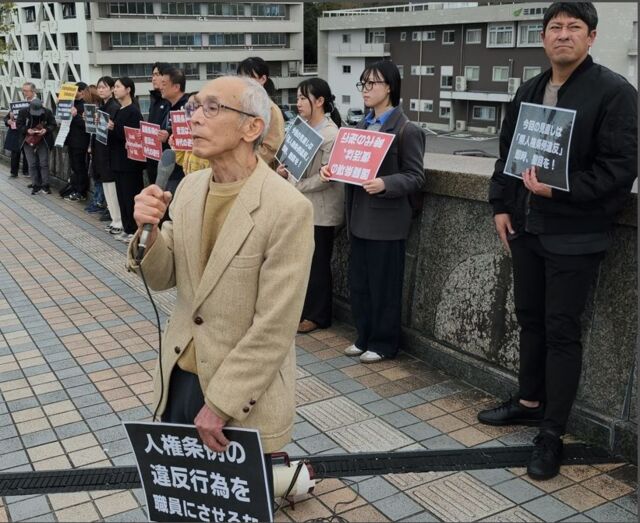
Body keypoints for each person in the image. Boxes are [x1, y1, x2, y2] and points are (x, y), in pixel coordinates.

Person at [478, 2, 637, 481]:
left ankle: (551, 433)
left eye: (574, 27)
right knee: (529, 318)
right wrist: (500, 204)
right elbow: (508, 154)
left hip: (575, 234)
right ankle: (529, 401)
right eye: (554, 27)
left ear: (591, 37)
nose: (563, 34)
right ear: (543, 36)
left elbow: (619, 169)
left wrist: (559, 188)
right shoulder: (529, 90)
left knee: (562, 330)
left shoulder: (614, 92)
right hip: (527, 227)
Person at [127, 75, 314, 460]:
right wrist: (149, 231)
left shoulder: (288, 208)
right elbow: (162, 276)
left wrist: (222, 403)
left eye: (212, 108)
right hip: (178, 376)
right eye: (195, 107)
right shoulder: (190, 187)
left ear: (252, 127)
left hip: (242, 397)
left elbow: (275, 324)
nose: (195, 117)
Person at [321, 60, 425, 364]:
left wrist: (385, 183)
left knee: (384, 287)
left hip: (387, 223)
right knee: (361, 285)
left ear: (389, 87)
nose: (365, 90)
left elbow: (416, 176)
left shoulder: (407, 129)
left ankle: (384, 343)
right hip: (359, 219)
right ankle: (364, 336)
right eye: (363, 84)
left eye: (372, 84)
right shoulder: (360, 127)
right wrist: (332, 170)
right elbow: (349, 167)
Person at [276, 78, 344, 334]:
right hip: (302, 205)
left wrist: (296, 186)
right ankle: (303, 310)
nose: (299, 103)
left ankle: (318, 315)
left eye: (303, 98)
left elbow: (328, 177)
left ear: (320, 101)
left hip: (321, 210)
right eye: (298, 97)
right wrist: (283, 171)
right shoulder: (300, 127)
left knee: (317, 263)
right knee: (302, 262)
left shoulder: (331, 134)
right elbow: (291, 163)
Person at [108, 77, 145, 243]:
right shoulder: (118, 110)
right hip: (117, 160)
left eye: (118, 86)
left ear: (128, 89)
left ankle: (135, 230)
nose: (114, 90)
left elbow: (133, 137)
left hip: (130, 163)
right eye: (114, 87)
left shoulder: (134, 111)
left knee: (131, 196)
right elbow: (115, 136)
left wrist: (114, 128)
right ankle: (127, 227)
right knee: (122, 197)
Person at [236, 57, 285, 167]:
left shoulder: (271, 109)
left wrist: (244, 162)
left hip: (256, 169)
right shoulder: (240, 104)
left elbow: (271, 148)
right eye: (241, 78)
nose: (244, 82)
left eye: (249, 77)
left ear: (263, 79)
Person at [91, 76, 122, 235]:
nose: (101, 90)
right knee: (107, 186)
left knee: (113, 188)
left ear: (111, 89)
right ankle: (114, 219)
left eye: (104, 87)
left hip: (110, 153)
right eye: (99, 87)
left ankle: (119, 220)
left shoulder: (114, 107)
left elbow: (116, 131)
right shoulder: (102, 107)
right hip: (101, 152)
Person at [158, 66, 190, 194]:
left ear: (176, 87)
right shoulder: (167, 106)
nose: (160, 87)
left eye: (164, 84)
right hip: (169, 168)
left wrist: (170, 134)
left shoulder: (189, 105)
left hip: (183, 171)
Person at [16, 99, 56, 195]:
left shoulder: (47, 112)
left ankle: (45, 185)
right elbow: (18, 125)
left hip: (43, 140)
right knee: (32, 163)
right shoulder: (23, 112)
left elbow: (53, 124)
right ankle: (35, 185)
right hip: (27, 140)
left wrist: (46, 130)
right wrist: (27, 130)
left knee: (44, 163)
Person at [4, 83, 38, 179]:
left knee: (28, 153)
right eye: (23, 90)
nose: (24, 93)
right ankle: (14, 172)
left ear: (33, 91)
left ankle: (26, 171)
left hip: (29, 132)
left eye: (26, 91)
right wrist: (9, 121)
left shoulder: (38, 103)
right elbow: (6, 118)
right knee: (15, 152)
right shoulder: (19, 103)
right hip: (16, 132)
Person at [64, 81, 91, 201]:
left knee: (80, 167)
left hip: (81, 141)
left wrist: (75, 116)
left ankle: (81, 192)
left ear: (81, 92)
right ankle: (75, 189)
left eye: (75, 91)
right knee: (74, 167)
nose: (73, 93)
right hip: (71, 139)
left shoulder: (85, 106)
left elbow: (87, 125)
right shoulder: (71, 104)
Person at [171, 93, 210, 175]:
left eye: (194, 106)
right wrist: (176, 145)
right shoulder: (187, 131)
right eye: (188, 106)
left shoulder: (209, 136)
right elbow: (181, 160)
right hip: (189, 178)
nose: (190, 110)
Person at [146, 62, 171, 185]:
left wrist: (168, 134)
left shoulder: (171, 100)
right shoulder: (154, 100)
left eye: (157, 74)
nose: (153, 78)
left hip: (167, 160)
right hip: (152, 156)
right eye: (153, 75)